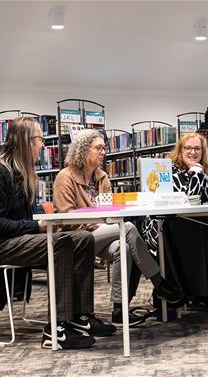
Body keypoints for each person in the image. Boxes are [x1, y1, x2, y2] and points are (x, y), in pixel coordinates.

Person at [0, 116, 116, 350]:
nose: (43, 145)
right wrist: (36, 227)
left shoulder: (22, 172)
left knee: (83, 238)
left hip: (16, 240)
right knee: (62, 243)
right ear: (26, 141)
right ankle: (56, 328)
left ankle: (81, 317)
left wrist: (43, 225)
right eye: (39, 139)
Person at [53, 129, 183, 327]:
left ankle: (119, 309)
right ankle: (159, 283)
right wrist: (90, 223)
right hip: (75, 239)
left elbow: (111, 210)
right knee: (128, 228)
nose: (103, 152)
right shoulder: (66, 176)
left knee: (123, 247)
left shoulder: (102, 177)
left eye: (104, 148)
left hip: (101, 233)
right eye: (98, 148)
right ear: (82, 150)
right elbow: (64, 215)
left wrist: (105, 221)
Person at [140, 133, 208, 256]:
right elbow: (188, 203)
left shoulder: (203, 171)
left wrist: (201, 175)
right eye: (188, 148)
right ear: (181, 150)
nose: (193, 152)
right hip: (164, 231)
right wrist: (195, 175)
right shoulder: (170, 171)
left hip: (190, 229)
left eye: (197, 148)